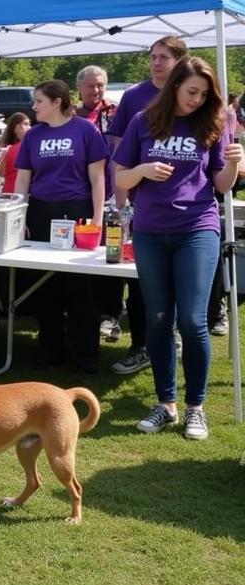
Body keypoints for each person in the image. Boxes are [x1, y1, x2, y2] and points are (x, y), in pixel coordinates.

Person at [114, 56, 243, 439]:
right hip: (151, 231)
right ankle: (166, 403)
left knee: (191, 319)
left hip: (197, 228)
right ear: (174, 87)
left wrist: (235, 164)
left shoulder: (213, 124)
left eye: (204, 95)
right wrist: (143, 171)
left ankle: (195, 408)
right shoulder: (143, 122)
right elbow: (121, 177)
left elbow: (221, 185)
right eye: (191, 92)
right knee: (158, 318)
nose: (197, 100)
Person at [13, 80, 108, 372]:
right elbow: (23, 180)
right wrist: (17, 216)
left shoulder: (85, 130)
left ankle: (85, 354)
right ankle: (49, 348)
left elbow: (97, 178)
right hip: (41, 213)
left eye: (38, 101)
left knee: (79, 287)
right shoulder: (33, 136)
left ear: (57, 102)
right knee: (45, 286)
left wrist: (97, 219)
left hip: (76, 212)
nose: (33, 106)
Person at [108, 37, 188, 376]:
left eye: (163, 57)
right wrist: (121, 203)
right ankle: (141, 345)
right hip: (142, 207)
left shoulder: (192, 95)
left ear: (180, 61)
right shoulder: (133, 98)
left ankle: (178, 337)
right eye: (152, 57)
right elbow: (117, 150)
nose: (156, 63)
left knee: (179, 282)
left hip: (188, 211)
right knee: (141, 281)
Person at [74, 65, 122, 343]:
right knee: (84, 257)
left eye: (101, 85)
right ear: (79, 87)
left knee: (111, 254)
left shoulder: (114, 113)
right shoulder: (73, 116)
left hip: (114, 193)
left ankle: (111, 314)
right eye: (91, 85)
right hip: (82, 194)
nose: (96, 90)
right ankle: (88, 313)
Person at [0, 111, 29, 194]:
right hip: (11, 190)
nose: (29, 127)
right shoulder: (5, 146)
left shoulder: (28, 144)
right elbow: (1, 172)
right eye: (25, 124)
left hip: (21, 190)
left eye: (29, 124)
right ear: (16, 127)